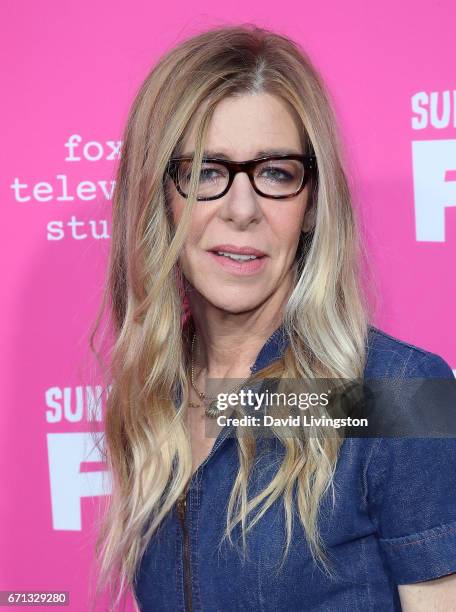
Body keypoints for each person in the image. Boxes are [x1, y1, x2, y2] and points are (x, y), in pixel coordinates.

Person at [90, 24, 456, 611]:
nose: (242, 210)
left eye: (276, 174)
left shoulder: (399, 394)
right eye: (206, 171)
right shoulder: (157, 394)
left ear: (311, 205)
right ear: (159, 195)